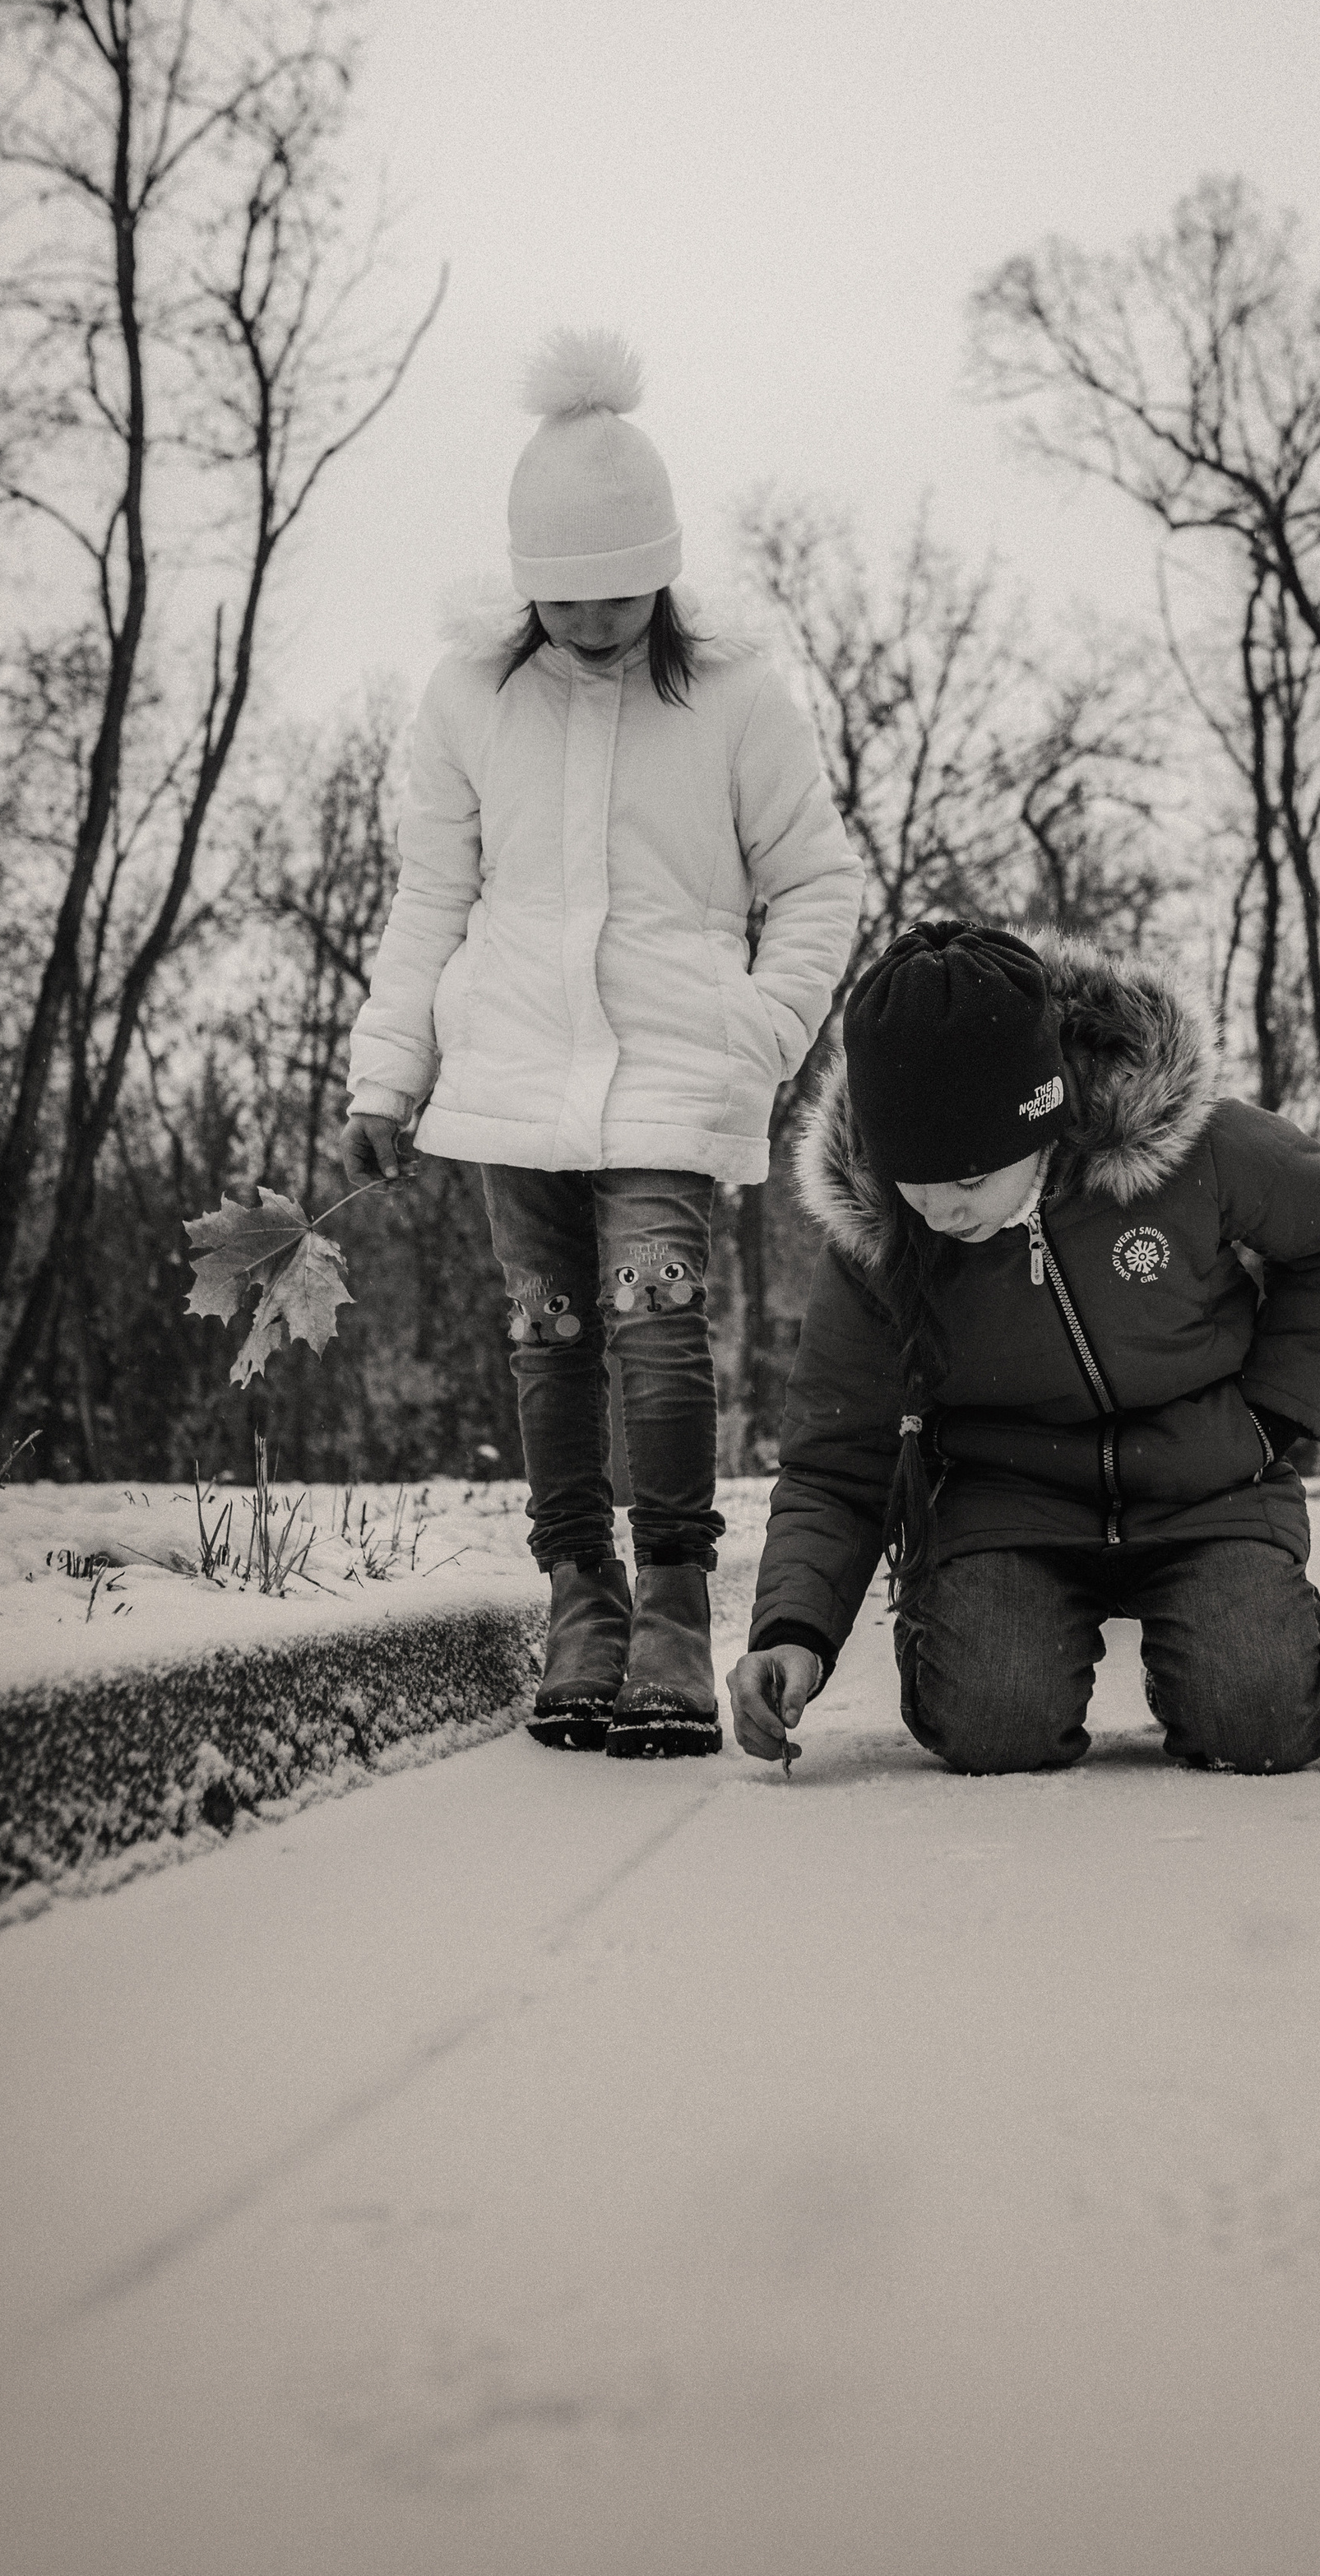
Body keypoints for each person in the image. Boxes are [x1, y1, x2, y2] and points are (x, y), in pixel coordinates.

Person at [341, 328, 863, 1757]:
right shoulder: (468, 696)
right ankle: (582, 1598)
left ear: (664, 568)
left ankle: (677, 1605)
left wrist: (759, 1031)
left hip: (672, 1069)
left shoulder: (735, 695)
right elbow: (431, 896)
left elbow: (818, 881)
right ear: (526, 581)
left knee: (659, 1329)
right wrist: (387, 1075)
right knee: (550, 1337)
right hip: (510, 1071)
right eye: (562, 594)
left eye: (618, 590)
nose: (589, 619)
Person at [728, 921, 1320, 1775]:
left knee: (1258, 1717)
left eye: (970, 1179)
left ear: (1040, 1122)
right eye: (913, 1180)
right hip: (1005, 1503)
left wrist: (1271, 1414)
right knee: (994, 1725)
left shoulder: (1193, 1150)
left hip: (1204, 1489)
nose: (942, 1211)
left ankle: (1220, 1659)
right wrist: (794, 1629)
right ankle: (977, 1644)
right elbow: (835, 1455)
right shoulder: (880, 1236)